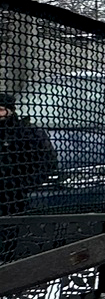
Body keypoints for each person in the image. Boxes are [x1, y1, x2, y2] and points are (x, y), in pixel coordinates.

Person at [0, 91, 56, 257]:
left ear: (10, 110)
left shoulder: (28, 132)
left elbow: (47, 161)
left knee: (9, 236)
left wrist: (26, 183)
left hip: (13, 196)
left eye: (1, 109)